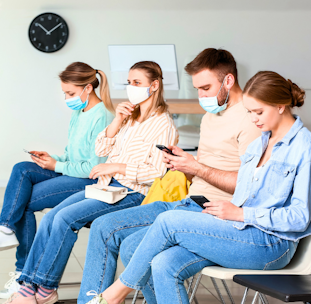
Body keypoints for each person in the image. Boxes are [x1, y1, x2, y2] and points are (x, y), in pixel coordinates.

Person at [85, 70, 311, 304]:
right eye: (249, 112)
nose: (253, 119)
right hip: (240, 229)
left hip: (270, 244)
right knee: (163, 264)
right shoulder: (261, 142)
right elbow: (246, 195)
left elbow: (299, 218)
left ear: (280, 105)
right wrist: (226, 210)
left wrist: (241, 213)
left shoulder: (306, 148)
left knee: (169, 221)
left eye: (258, 112)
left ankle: (114, 295)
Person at [77, 48, 262, 304]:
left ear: (228, 80)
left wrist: (196, 168)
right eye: (197, 88)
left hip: (216, 211)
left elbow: (249, 185)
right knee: (105, 227)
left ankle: (108, 297)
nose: (201, 96)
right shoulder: (210, 116)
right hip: (190, 200)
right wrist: (185, 162)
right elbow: (211, 165)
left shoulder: (252, 119)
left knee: (133, 246)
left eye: (206, 87)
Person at [4, 61, 179, 304]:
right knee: (54, 214)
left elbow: (157, 172)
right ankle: (32, 286)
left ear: (155, 85)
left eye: (137, 83)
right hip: (109, 186)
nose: (132, 88)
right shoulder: (130, 117)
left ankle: (43, 287)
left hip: (133, 193)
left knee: (65, 219)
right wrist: (117, 121)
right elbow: (101, 147)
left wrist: (116, 166)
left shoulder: (163, 125)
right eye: (129, 82)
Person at [0, 62, 115, 299]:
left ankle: (22, 275)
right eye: (65, 93)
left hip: (88, 182)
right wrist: (52, 159)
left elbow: (94, 167)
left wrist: (56, 166)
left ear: (88, 88)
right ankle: (5, 228)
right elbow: (72, 156)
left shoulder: (102, 117)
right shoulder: (79, 113)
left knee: (24, 201)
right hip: (70, 172)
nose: (67, 98)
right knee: (23, 168)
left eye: (70, 93)